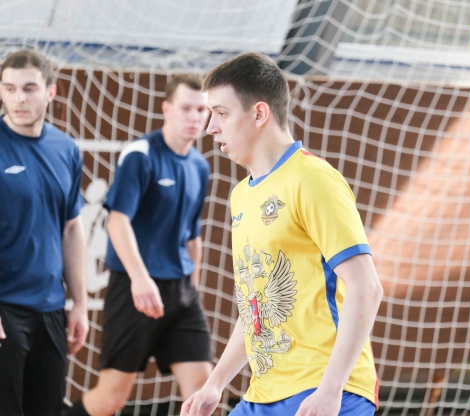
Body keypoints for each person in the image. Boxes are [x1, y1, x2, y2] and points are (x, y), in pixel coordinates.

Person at [181, 52, 384, 416]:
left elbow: (366, 286)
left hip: (325, 390)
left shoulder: (313, 178)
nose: (210, 127)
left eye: (221, 113)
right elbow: (256, 306)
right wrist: (216, 382)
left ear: (260, 113)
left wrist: (331, 390)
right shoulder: (242, 195)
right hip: (264, 394)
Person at [68, 74, 213, 416]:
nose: (194, 117)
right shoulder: (141, 154)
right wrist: (140, 278)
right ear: (167, 109)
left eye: (201, 110)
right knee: (110, 400)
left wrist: (192, 288)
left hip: (181, 293)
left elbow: (192, 236)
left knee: (204, 396)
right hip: (135, 289)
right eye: (186, 108)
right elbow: (118, 220)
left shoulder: (199, 166)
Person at [0, 49, 89, 415]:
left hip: (51, 310)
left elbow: (71, 228)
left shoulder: (65, 149)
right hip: (5, 308)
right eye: (9, 88)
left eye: (29, 88)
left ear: (50, 91)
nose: (18, 98)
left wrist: (80, 303)